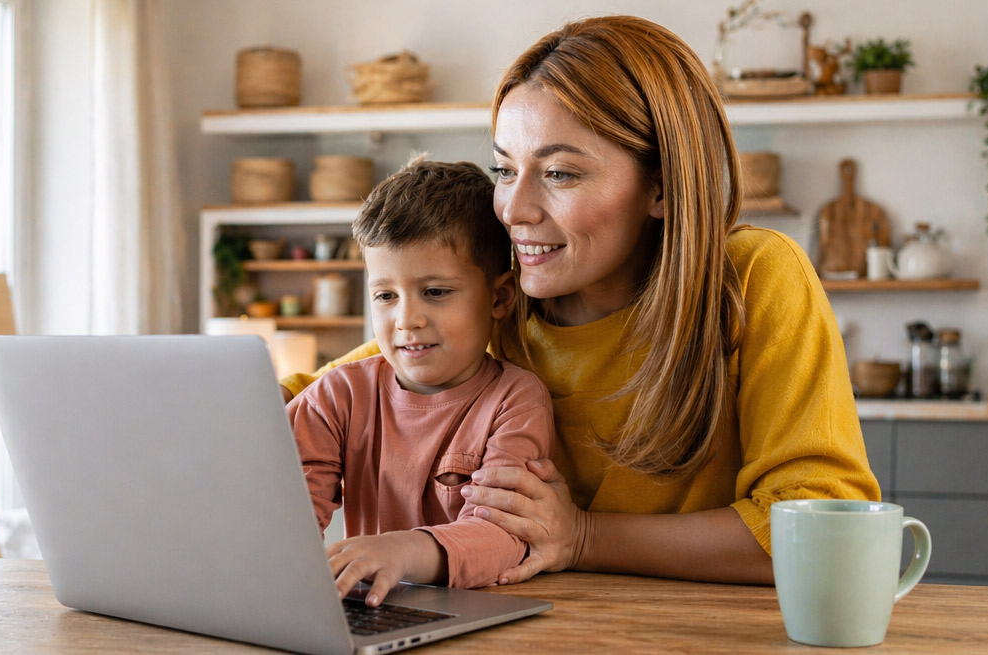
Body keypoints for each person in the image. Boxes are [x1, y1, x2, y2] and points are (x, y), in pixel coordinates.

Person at [281, 15, 880, 587]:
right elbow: (329, 391)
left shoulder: (752, 278)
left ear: (662, 187)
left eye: (560, 174)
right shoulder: (495, 305)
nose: (513, 210)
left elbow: (823, 530)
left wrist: (584, 537)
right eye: (505, 169)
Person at [287, 157, 554, 607]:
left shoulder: (516, 399)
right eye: (386, 296)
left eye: (435, 292)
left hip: (477, 615)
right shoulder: (336, 396)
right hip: (370, 612)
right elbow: (286, 516)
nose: (406, 320)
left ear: (499, 297)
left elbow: (504, 533)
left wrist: (402, 550)